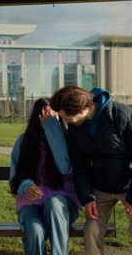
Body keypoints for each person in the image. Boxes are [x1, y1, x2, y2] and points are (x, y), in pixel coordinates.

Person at [50, 86, 132, 255]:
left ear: (82, 109)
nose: (67, 122)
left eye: (67, 117)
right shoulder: (75, 128)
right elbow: (80, 166)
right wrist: (87, 198)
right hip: (101, 188)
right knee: (91, 232)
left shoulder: (122, 115)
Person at [9, 98, 81, 255]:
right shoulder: (23, 141)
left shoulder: (69, 139)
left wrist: (52, 129)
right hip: (31, 203)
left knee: (54, 204)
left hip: (63, 203)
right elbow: (15, 177)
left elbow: (64, 166)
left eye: (52, 115)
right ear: (37, 117)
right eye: (45, 114)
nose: (48, 118)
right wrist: (26, 186)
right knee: (35, 231)